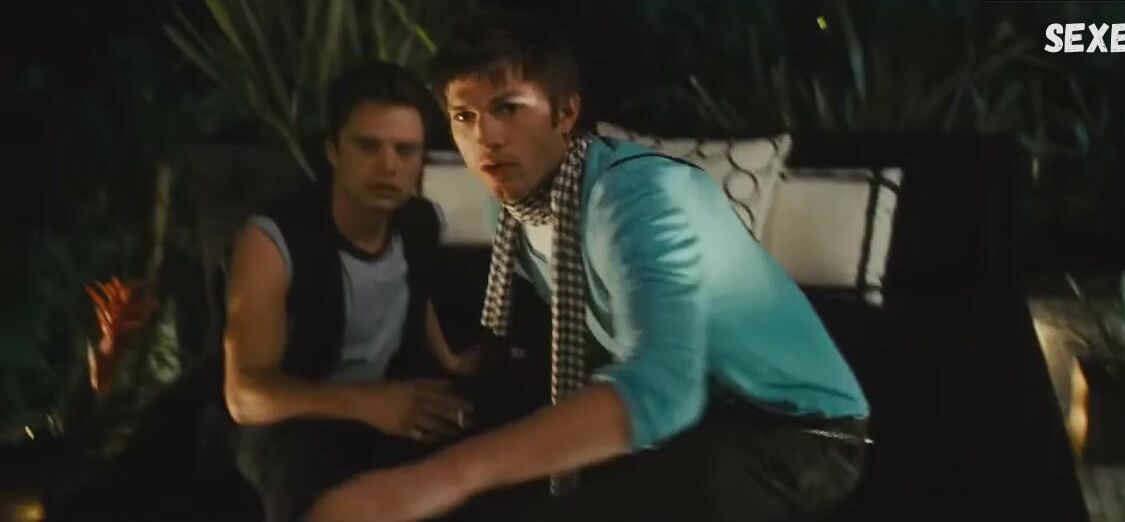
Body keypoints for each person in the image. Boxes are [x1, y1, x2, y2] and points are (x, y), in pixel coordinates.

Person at [310, 10, 873, 522]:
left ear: (566, 113)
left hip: (797, 433)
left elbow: (664, 386)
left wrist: (438, 480)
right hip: (694, 419)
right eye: (464, 115)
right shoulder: (514, 207)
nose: (485, 136)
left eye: (507, 108)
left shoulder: (640, 196)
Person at [221, 61, 480, 522]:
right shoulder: (273, 241)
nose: (389, 165)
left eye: (405, 150)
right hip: (292, 421)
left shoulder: (419, 222)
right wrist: (368, 403)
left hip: (385, 402)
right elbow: (245, 395)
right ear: (334, 151)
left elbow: (413, 292)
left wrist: (449, 359)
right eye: (368, 146)